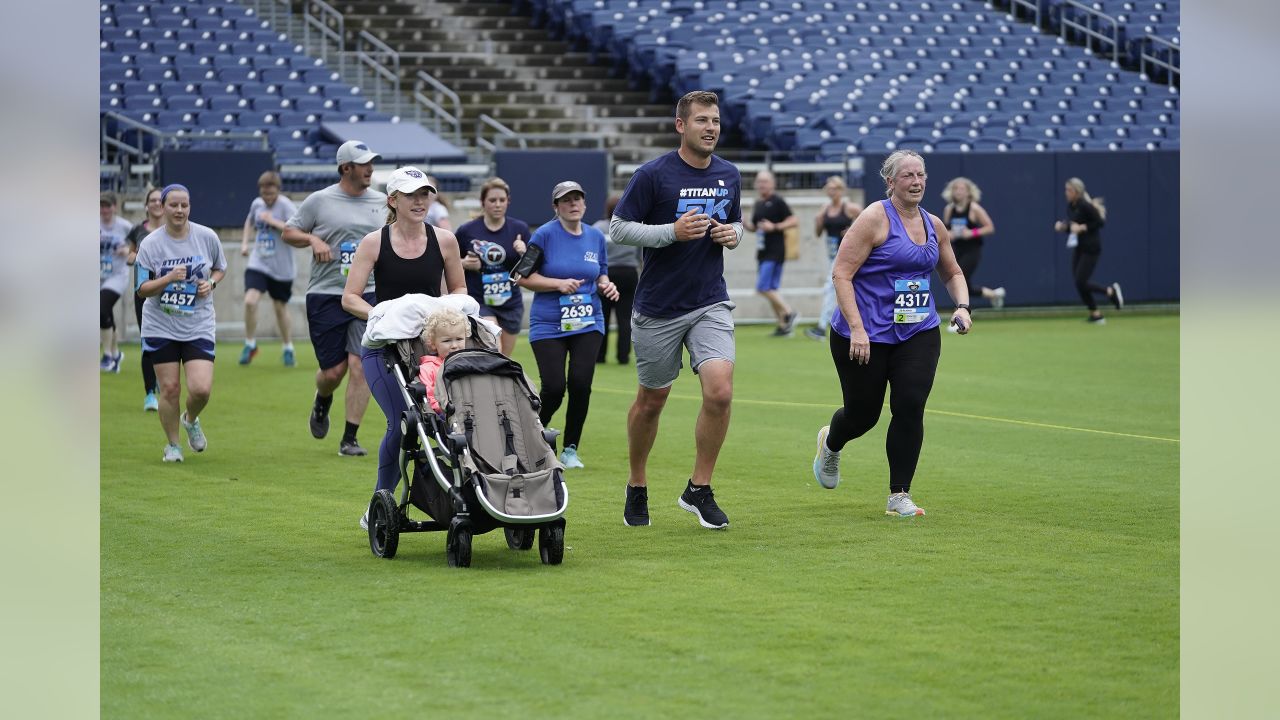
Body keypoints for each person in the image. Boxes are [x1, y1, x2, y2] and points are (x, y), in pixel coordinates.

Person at [810, 149, 971, 518]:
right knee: (863, 414)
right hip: (864, 332)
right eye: (907, 176)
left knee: (910, 405)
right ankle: (831, 444)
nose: (916, 182)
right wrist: (857, 329)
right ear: (891, 182)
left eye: (921, 175)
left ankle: (899, 495)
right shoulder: (873, 219)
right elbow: (842, 274)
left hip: (918, 330)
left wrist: (962, 306)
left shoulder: (934, 224)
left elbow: (952, 272)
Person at [609, 90, 744, 530]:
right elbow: (619, 228)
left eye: (716, 121)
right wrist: (671, 231)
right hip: (658, 307)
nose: (711, 128)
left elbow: (736, 221)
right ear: (681, 126)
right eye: (703, 120)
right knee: (652, 401)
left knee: (720, 391)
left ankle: (699, 488)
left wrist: (733, 234)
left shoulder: (729, 174)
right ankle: (637, 483)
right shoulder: (653, 175)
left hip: (710, 300)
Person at [342, 166, 466, 529]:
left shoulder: (445, 240)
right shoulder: (374, 242)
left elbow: (459, 290)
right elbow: (350, 298)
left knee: (449, 420)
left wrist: (443, 311)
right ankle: (379, 504)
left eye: (425, 193)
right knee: (402, 423)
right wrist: (383, 313)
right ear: (392, 200)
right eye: (412, 195)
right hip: (384, 349)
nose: (420, 201)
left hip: (430, 349)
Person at [283, 140, 387, 457]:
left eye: (371, 162)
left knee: (360, 366)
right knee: (333, 372)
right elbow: (289, 232)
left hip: (367, 294)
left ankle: (349, 439)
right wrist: (312, 238)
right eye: (363, 163)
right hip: (326, 294)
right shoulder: (320, 200)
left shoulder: (383, 202)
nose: (370, 168)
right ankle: (322, 399)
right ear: (346, 168)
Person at [513, 180, 619, 470]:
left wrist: (607, 285)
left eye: (577, 199)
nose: (573, 204)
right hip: (549, 323)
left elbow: (602, 273)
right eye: (566, 200)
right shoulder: (544, 235)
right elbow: (521, 276)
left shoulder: (596, 236)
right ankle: (531, 433)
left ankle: (571, 448)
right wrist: (557, 284)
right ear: (556, 207)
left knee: (581, 384)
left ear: (585, 204)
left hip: (588, 321)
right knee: (555, 387)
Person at [134, 184, 228, 463]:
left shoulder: (206, 236)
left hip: (197, 323)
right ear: (162, 208)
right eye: (173, 205)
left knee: (201, 389)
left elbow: (220, 268)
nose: (179, 210)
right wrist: (168, 279)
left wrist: (210, 283)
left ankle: (191, 419)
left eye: (184, 205)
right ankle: (173, 445)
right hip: (160, 324)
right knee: (171, 388)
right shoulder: (150, 244)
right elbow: (141, 288)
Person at [456, 177, 529, 356]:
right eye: (492, 200)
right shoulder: (467, 231)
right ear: (483, 202)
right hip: (480, 299)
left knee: (503, 358)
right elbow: (449, 262)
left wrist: (523, 252)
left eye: (502, 200)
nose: (497, 205)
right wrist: (464, 264)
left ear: (508, 202)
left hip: (510, 301)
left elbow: (532, 265)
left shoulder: (519, 229)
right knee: (494, 348)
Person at [238, 171, 299, 366]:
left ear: (278, 191)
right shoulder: (257, 204)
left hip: (282, 267)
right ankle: (250, 343)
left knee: (280, 308)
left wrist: (272, 221)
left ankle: (288, 347)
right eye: (265, 194)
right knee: (250, 301)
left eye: (271, 194)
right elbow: (249, 221)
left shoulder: (286, 206)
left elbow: (296, 230)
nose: (268, 198)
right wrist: (245, 243)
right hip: (259, 262)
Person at [1054, 177, 1123, 324]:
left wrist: (1083, 227)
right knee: (1079, 282)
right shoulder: (1071, 206)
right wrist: (1063, 227)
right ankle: (1096, 314)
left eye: (1069, 190)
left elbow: (1099, 222)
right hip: (1079, 247)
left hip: (1091, 248)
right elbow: (1074, 227)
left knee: (1081, 281)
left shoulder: (1085, 205)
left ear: (1077, 192)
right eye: (1066, 190)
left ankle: (1110, 292)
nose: (1066, 193)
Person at [742, 169, 798, 336]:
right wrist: (744, 223)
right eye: (759, 181)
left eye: (765, 181)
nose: (761, 185)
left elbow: (793, 220)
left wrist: (774, 227)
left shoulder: (778, 201)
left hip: (775, 251)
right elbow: (755, 227)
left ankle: (789, 313)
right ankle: (783, 326)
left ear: (772, 184)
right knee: (772, 288)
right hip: (762, 251)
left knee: (763, 287)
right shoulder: (758, 203)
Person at [805, 176, 862, 340]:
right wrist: (818, 220)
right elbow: (818, 233)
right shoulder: (825, 209)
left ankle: (822, 327)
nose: (832, 192)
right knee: (840, 290)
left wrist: (852, 231)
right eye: (829, 189)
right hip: (832, 255)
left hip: (848, 255)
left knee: (830, 288)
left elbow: (868, 224)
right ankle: (841, 324)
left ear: (841, 190)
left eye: (835, 188)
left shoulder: (850, 208)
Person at [125, 187, 164, 410]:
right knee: (147, 340)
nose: (157, 203)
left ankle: (164, 379)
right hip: (144, 291)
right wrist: (141, 255)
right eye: (153, 200)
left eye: (161, 200)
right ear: (147, 205)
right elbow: (129, 255)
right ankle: (149, 393)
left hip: (170, 293)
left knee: (168, 341)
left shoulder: (173, 230)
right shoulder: (138, 230)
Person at [941, 177, 1005, 314]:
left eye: (962, 188)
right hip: (956, 249)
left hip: (972, 250)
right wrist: (949, 234)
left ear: (969, 192)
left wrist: (972, 233)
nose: (958, 192)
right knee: (964, 285)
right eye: (955, 188)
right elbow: (945, 229)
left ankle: (959, 314)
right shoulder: (948, 209)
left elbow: (989, 227)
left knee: (959, 279)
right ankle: (994, 295)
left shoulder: (974, 209)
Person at [594, 194, 640, 364]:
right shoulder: (633, 227)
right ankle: (623, 356)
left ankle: (600, 355)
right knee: (625, 318)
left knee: (603, 316)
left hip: (606, 274)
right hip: (629, 273)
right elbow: (640, 255)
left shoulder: (598, 227)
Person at [100, 191, 133, 373]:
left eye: (107, 205)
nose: (104, 209)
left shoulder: (124, 226)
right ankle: (115, 353)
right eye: (101, 206)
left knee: (102, 308)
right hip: (98, 275)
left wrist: (127, 250)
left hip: (117, 275)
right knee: (105, 313)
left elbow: (139, 245)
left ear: (114, 207)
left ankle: (107, 355)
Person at [416, 307, 469, 415]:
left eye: (459, 339)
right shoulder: (428, 369)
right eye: (447, 341)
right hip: (446, 416)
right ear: (433, 344)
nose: (454, 346)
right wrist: (445, 408)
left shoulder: (472, 364)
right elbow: (429, 398)